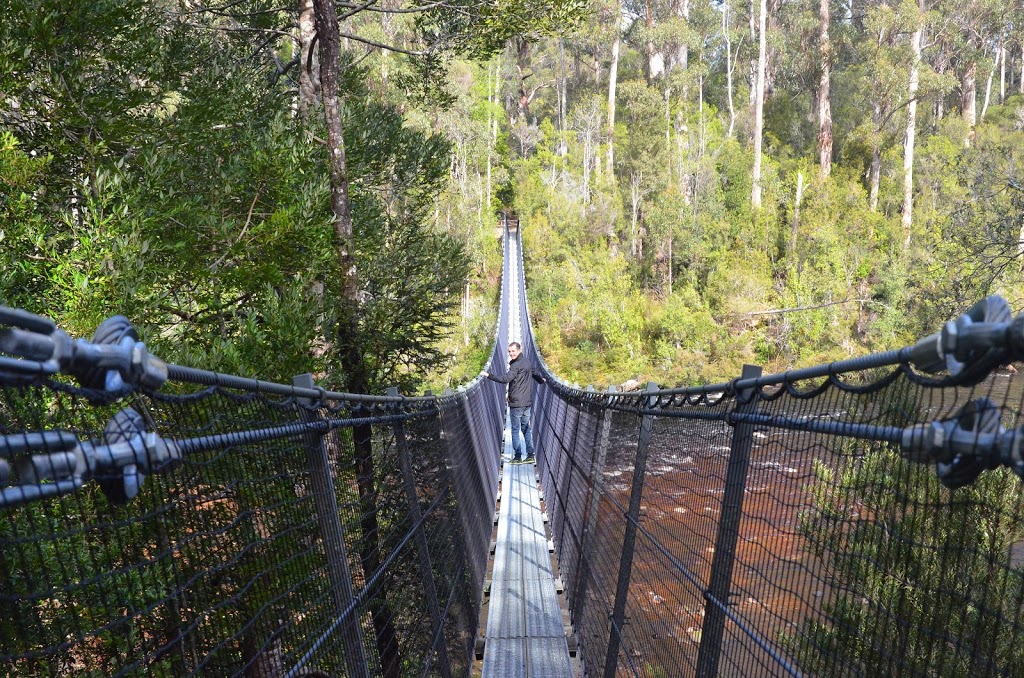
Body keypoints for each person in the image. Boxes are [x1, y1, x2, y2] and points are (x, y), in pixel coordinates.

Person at [481, 342, 547, 463]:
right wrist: (541, 381)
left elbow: (505, 379)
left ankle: (517, 457)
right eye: (509, 351)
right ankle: (530, 455)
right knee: (526, 428)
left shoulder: (515, 365)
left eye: (513, 351)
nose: (511, 353)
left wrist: (488, 375)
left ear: (519, 350)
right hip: (527, 402)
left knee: (515, 430)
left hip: (516, 403)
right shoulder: (527, 362)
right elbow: (535, 374)